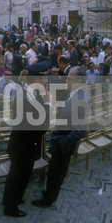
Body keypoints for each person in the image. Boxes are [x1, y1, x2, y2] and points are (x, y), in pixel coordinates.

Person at [32, 66, 90, 207]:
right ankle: (49, 192)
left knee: (57, 173)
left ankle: (49, 200)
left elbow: (81, 130)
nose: (67, 81)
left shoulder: (81, 99)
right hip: (61, 141)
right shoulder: (76, 93)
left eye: (70, 79)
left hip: (64, 145)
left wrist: (61, 144)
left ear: (80, 81)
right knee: (53, 171)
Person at [2, 65, 49, 217]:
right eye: (44, 78)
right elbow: (42, 126)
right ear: (37, 79)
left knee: (15, 175)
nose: (47, 80)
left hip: (20, 143)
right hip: (25, 146)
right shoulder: (30, 97)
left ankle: (9, 200)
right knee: (20, 177)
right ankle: (11, 208)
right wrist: (48, 104)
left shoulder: (27, 92)